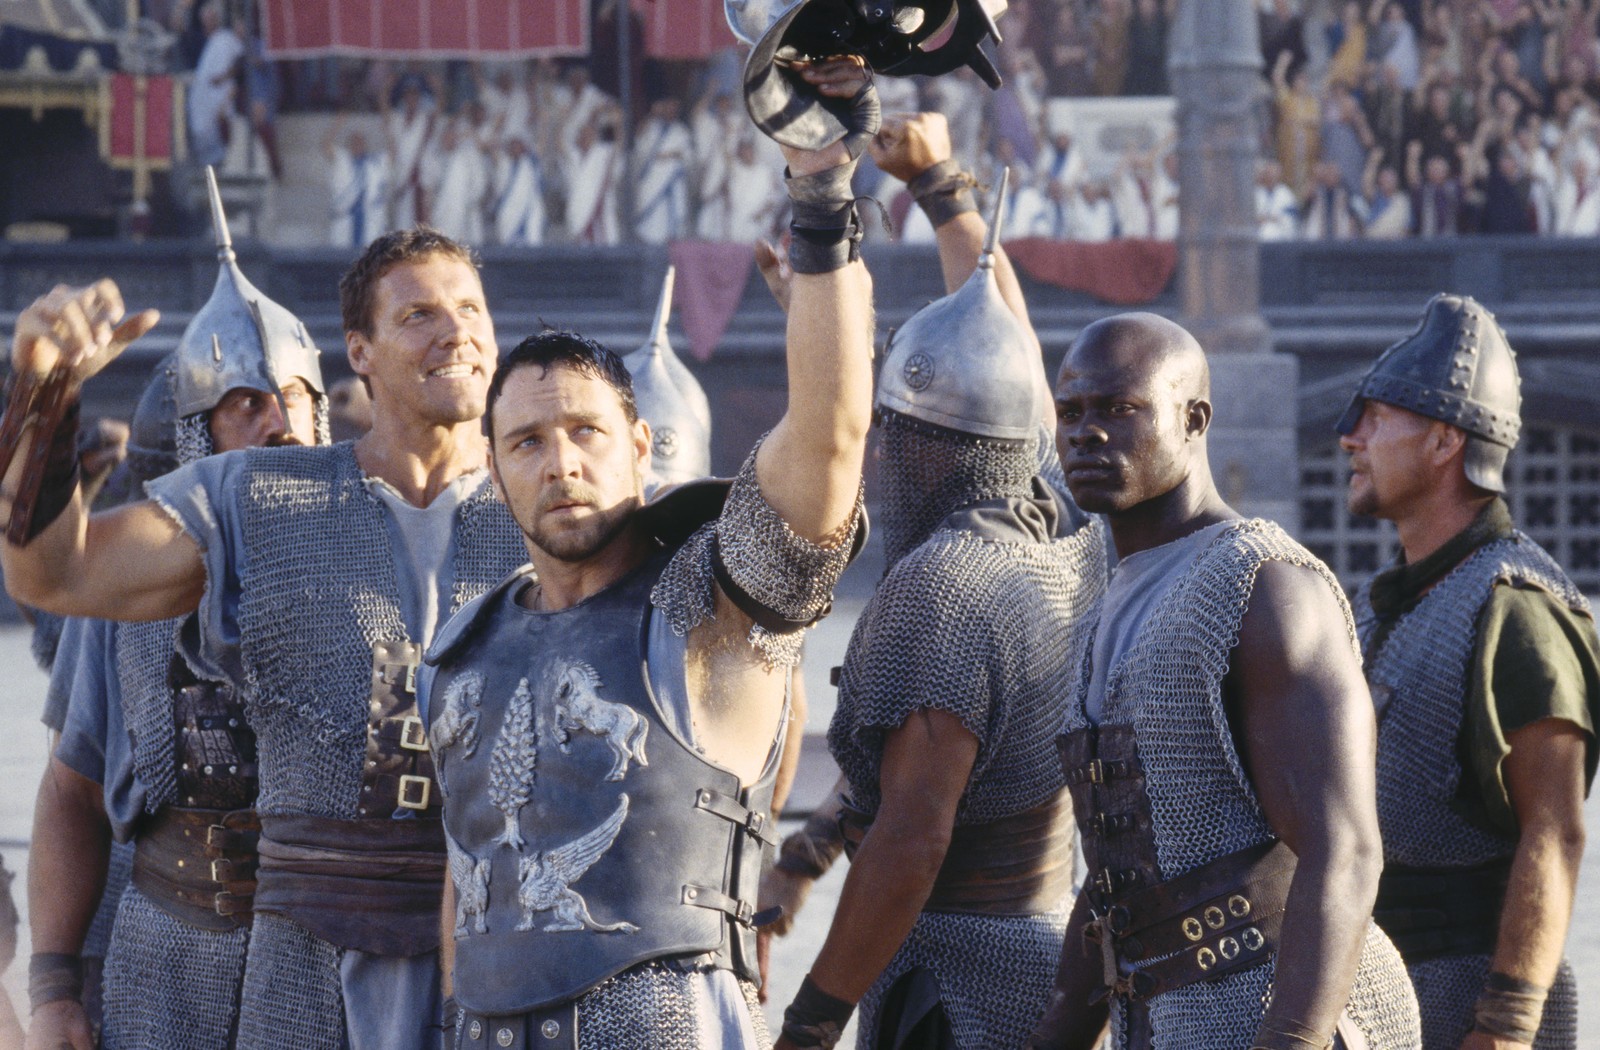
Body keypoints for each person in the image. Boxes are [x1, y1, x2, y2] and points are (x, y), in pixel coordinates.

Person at [420, 57, 878, 1050]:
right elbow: (469, 895)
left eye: (587, 432)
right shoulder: (456, 646)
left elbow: (831, 442)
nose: (562, 462)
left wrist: (820, 194)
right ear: (494, 475)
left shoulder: (709, 611)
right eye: (528, 443)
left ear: (640, 447)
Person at [0, 223, 530, 1050]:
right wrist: (44, 398)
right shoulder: (253, 499)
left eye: (469, 308)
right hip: (300, 962)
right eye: (420, 314)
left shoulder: (560, 503)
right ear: (360, 350)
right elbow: (53, 576)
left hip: (504, 954)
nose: (456, 330)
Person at [763, 112, 1110, 1050]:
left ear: (918, 445)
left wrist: (812, 1017)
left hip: (958, 986)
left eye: (892, 431)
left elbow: (915, 842)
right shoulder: (1070, 535)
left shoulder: (947, 588)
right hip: (1055, 965)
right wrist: (942, 187)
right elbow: (1013, 365)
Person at [1026, 313, 1421, 1050]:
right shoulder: (1106, 601)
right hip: (1166, 1012)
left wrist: (1293, 1038)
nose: (1086, 433)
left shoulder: (1264, 587)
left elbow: (1346, 849)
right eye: (1072, 412)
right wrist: (1061, 1029)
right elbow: (1131, 865)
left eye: (1120, 409)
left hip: (1285, 1001)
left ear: (1193, 417)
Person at [24, 175, 329, 1050]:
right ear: (200, 434)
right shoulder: (127, 593)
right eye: (246, 404)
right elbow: (72, 792)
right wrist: (53, 989)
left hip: (325, 957)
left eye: (299, 399)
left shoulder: (378, 555)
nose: (281, 424)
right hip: (166, 943)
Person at [1336, 294, 1600, 1050]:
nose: (1351, 438)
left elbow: (1553, 834)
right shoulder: (1381, 604)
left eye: (1378, 417)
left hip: (1470, 1008)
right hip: (1383, 994)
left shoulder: (1518, 611)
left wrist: (1507, 1027)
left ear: (1445, 440)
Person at [185, 0, 244, 168]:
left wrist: (225, 76)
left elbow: (241, 62)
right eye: (205, 19)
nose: (208, 22)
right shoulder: (201, 39)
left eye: (211, 18)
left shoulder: (226, 38)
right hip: (202, 97)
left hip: (220, 95)